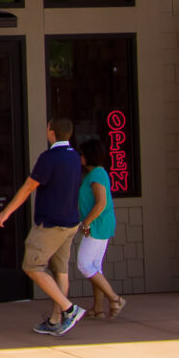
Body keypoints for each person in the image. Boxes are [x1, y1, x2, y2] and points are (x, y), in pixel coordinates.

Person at [0, 116, 86, 335]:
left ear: (52, 133)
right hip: (71, 222)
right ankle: (56, 321)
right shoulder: (74, 156)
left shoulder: (49, 158)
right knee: (60, 271)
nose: (46, 131)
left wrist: (5, 212)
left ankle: (68, 309)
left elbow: (28, 188)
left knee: (32, 266)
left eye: (47, 128)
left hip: (51, 225)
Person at [73, 135, 125, 320]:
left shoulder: (96, 175)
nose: (80, 157)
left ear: (88, 156)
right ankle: (98, 309)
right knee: (95, 266)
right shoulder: (98, 173)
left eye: (81, 154)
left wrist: (86, 223)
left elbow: (101, 203)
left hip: (97, 225)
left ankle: (115, 298)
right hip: (100, 225)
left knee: (84, 265)